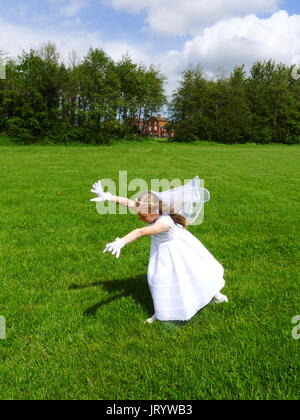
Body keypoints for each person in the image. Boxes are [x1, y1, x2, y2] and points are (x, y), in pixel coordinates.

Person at [90, 180, 228, 324]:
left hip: (174, 251)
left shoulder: (165, 223)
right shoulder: (150, 210)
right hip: (164, 249)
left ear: (155, 212)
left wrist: (121, 241)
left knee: (176, 275)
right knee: (161, 279)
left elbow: (140, 231)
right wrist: (108, 196)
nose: (140, 218)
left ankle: (214, 293)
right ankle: (162, 312)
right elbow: (129, 203)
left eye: (143, 216)